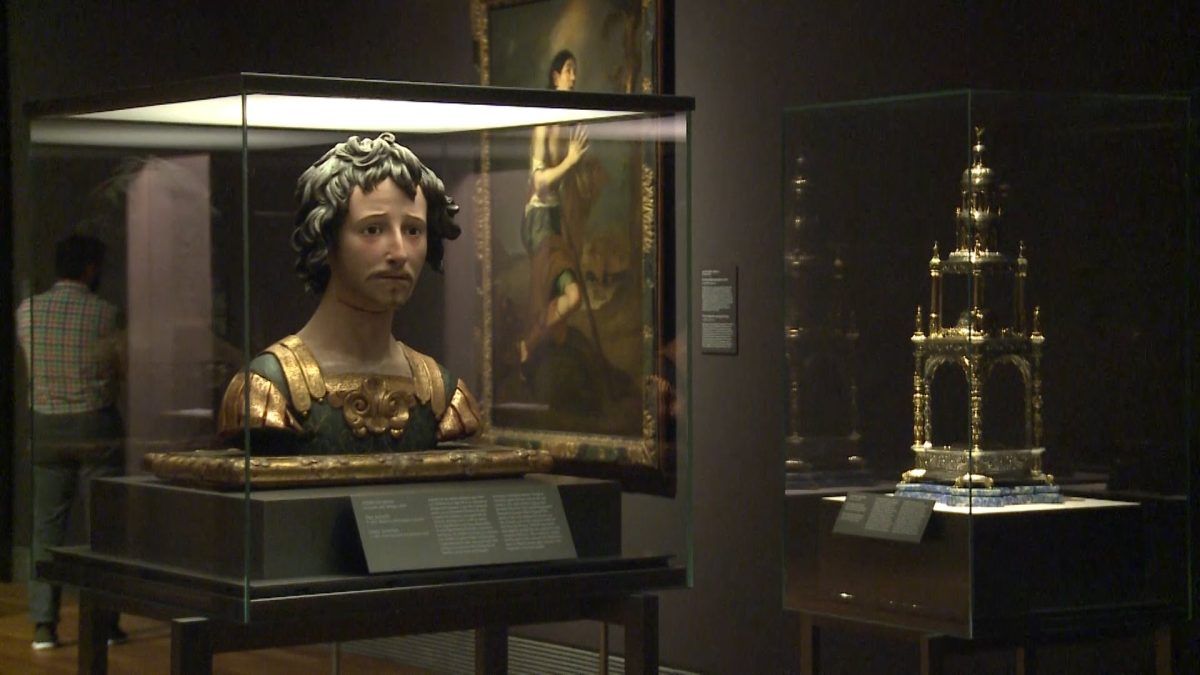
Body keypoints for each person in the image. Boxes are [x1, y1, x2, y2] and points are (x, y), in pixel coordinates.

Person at [216, 133, 481, 453]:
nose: (399, 252)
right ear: (326, 238)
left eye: (413, 230)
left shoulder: (444, 398)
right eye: (373, 229)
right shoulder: (269, 391)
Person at [16, 234, 126, 650]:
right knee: (104, 529)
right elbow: (119, 368)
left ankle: (44, 625)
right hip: (95, 426)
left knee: (46, 529)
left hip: (45, 426)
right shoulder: (106, 313)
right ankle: (105, 624)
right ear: (90, 268)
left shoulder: (27, 311)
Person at [518, 49, 604, 372]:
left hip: (556, 219)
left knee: (566, 296)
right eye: (568, 70)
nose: (574, 76)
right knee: (571, 294)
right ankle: (530, 343)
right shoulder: (544, 123)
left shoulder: (569, 125)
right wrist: (570, 161)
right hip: (539, 219)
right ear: (555, 77)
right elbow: (540, 182)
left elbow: (575, 180)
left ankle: (530, 344)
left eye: (575, 70)